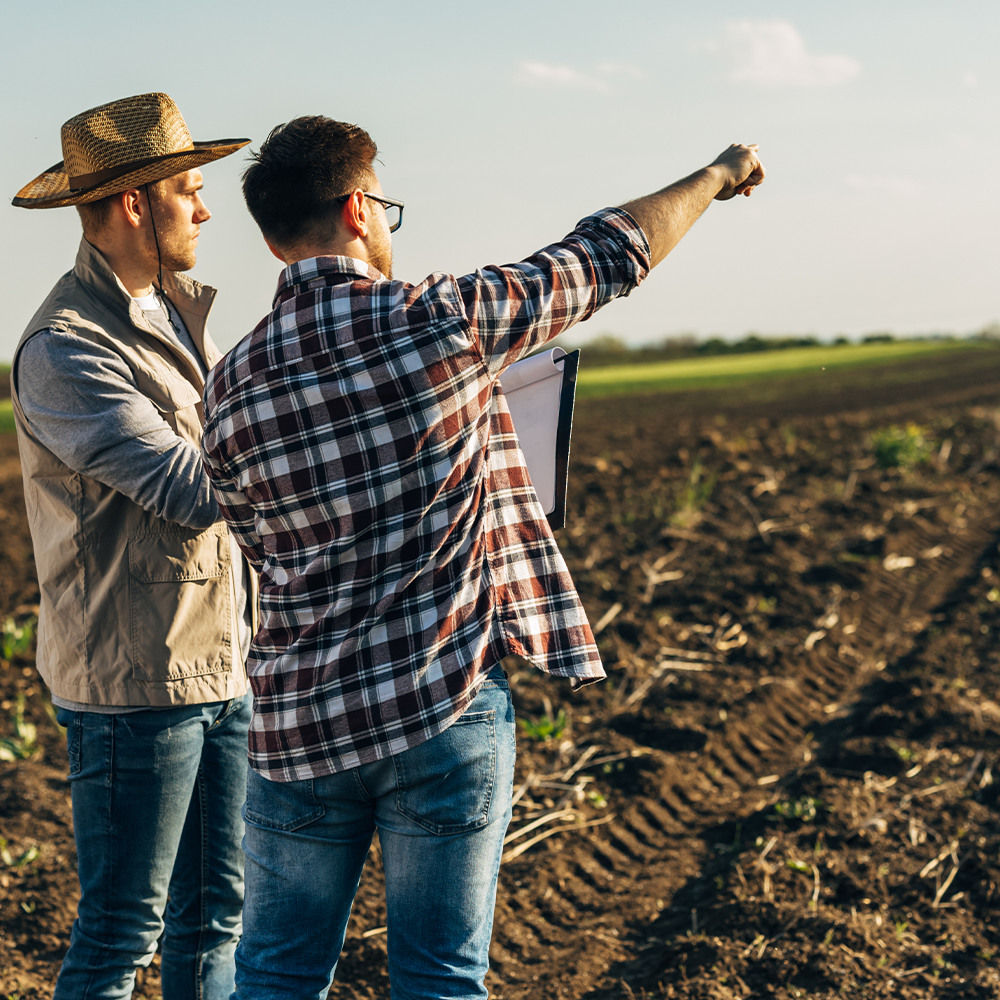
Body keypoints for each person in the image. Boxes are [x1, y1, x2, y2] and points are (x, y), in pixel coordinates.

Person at [201, 116, 764, 1000]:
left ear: (274, 240)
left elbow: (254, 543)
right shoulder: (443, 319)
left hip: (298, 724)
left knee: (274, 975)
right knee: (438, 977)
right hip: (443, 702)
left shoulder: (228, 385)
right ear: (358, 209)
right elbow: (607, 253)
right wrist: (719, 173)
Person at [10, 93, 255, 1000]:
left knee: (216, 919)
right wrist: (305, 444)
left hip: (222, 662)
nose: (204, 209)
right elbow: (192, 488)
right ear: (132, 204)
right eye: (189, 190)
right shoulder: (64, 348)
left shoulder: (177, 314)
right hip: (135, 685)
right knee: (122, 933)